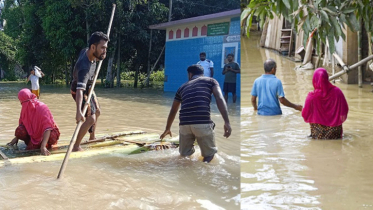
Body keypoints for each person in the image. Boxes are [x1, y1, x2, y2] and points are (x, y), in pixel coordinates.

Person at [160, 65, 232, 163]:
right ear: (202, 73)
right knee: (209, 155)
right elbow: (219, 98)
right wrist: (227, 122)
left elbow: (173, 110)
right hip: (201, 122)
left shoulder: (182, 87)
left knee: (184, 156)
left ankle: (185, 175)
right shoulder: (211, 81)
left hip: (184, 124)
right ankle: (202, 175)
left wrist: (167, 128)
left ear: (190, 74)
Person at [70, 31, 108, 152]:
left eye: (105, 48)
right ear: (93, 47)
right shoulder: (84, 68)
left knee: (97, 111)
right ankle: (76, 146)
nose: (104, 51)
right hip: (79, 91)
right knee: (90, 119)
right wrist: (78, 112)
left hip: (89, 87)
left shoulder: (88, 51)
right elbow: (79, 91)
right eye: (102, 48)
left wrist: (100, 55)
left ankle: (92, 137)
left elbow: (95, 54)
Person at [7, 89, 60, 156]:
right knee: (19, 131)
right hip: (33, 135)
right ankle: (34, 143)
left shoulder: (42, 107)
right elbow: (22, 125)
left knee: (52, 137)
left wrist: (43, 146)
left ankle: (46, 144)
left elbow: (48, 128)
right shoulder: (25, 109)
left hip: (47, 134)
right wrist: (16, 138)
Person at [302, 68, 349, 139]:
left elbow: (305, 114)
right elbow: (344, 110)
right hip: (335, 132)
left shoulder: (311, 96)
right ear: (327, 78)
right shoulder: (338, 92)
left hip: (318, 133)